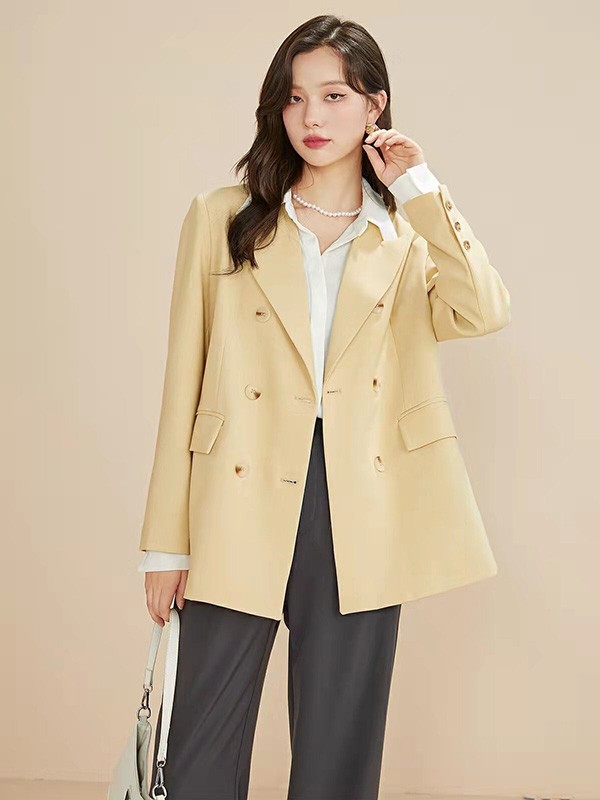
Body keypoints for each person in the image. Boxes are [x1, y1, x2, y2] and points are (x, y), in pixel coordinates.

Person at [136, 13, 511, 800]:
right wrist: (164, 544)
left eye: (335, 95)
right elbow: (182, 384)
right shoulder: (223, 217)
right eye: (295, 96)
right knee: (199, 747)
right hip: (234, 496)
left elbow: (481, 311)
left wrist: (418, 187)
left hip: (361, 503)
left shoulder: (406, 233)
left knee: (339, 753)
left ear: (376, 105)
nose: (312, 116)